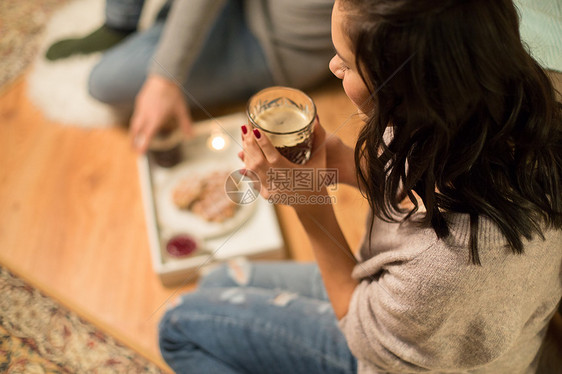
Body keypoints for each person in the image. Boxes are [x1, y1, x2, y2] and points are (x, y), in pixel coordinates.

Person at [158, 0, 562, 372]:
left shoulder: (451, 266)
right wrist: (336, 163)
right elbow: (415, 177)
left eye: (347, 63)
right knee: (217, 280)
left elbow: (360, 334)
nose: (333, 67)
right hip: (415, 313)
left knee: (177, 326)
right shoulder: (503, 97)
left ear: (412, 94)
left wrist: (309, 207)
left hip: (394, 347)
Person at [80, 0, 335, 153]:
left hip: (269, 44)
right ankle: (126, 24)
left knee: (104, 81)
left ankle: (162, 26)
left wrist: (164, 77)